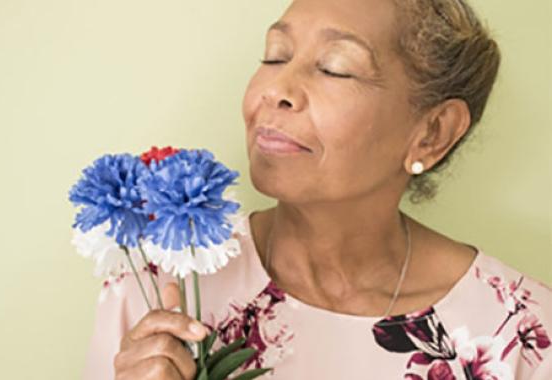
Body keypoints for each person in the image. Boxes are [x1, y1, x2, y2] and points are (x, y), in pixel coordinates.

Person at [84, 0, 552, 378]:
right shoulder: (159, 286)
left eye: (334, 68)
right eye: (275, 56)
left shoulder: (522, 333)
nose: (277, 88)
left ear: (431, 133)